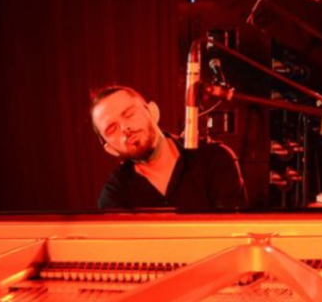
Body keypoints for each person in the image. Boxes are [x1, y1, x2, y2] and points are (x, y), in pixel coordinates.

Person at [90, 86, 247, 211]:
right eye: (112, 129)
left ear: (153, 112)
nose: (125, 128)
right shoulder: (114, 195)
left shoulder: (215, 159)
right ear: (110, 149)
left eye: (130, 114)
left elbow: (233, 233)